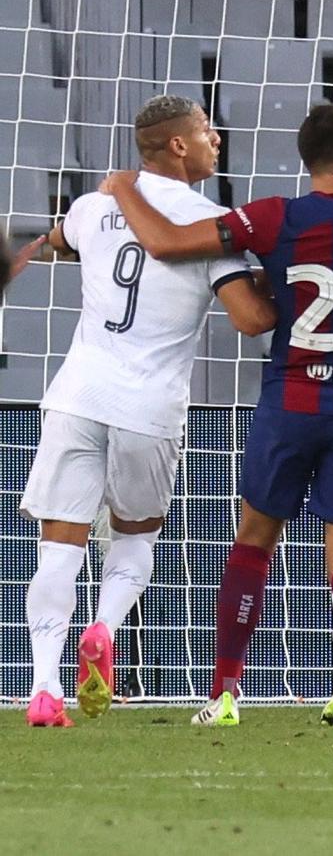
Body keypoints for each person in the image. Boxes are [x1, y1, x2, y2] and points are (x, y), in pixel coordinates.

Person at [104, 102, 333, 726]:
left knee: (254, 541)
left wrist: (122, 189)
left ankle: (223, 693)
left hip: (293, 402)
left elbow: (164, 243)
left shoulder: (276, 218)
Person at [19, 96, 275, 728]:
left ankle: (45, 688)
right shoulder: (212, 224)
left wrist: (24, 253)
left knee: (59, 543)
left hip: (76, 395)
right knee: (136, 537)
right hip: (150, 407)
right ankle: (102, 629)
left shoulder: (93, 207)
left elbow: (57, 241)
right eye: (206, 131)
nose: (218, 138)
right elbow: (250, 319)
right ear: (179, 145)